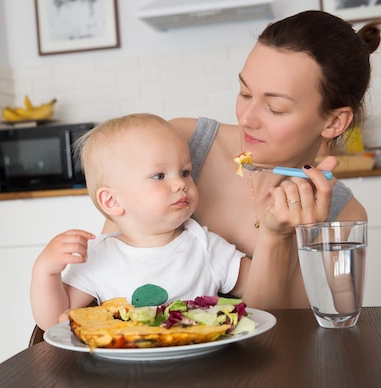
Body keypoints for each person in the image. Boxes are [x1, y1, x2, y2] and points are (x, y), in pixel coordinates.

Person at [106, 11, 381, 309]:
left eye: (276, 108)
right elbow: (106, 270)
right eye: (245, 92)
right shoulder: (180, 146)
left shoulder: (340, 217)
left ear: (334, 122)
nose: (246, 119)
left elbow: (290, 338)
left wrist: (280, 239)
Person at [31, 113, 264, 330]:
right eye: (159, 176)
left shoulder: (206, 246)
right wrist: (45, 272)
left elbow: (262, 293)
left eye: (185, 172)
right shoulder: (98, 256)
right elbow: (55, 322)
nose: (181, 183)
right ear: (111, 201)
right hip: (124, 368)